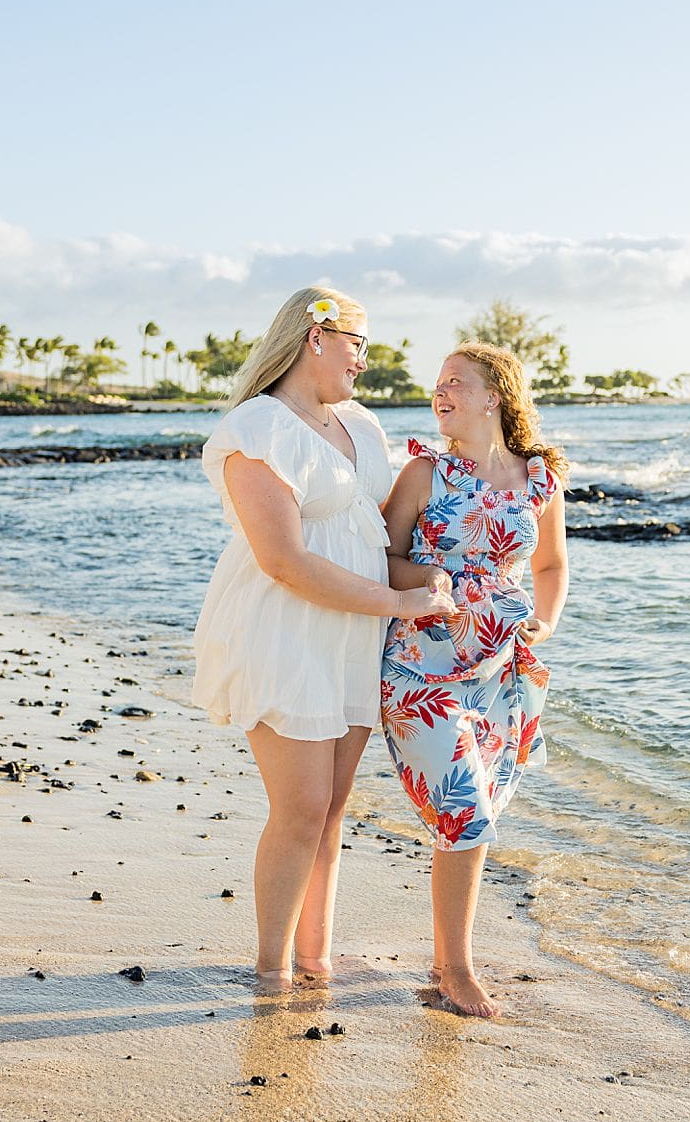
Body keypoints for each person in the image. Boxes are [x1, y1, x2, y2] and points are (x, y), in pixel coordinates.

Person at [193, 286, 452, 988]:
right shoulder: (258, 428)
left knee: (332, 807)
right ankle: (271, 967)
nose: (363, 361)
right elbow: (284, 560)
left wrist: (434, 579)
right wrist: (398, 600)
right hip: (283, 628)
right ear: (316, 337)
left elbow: (369, 535)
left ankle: (316, 958)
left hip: (351, 630)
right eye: (357, 344)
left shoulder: (361, 425)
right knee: (301, 806)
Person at [380, 343, 569, 1018]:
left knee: (475, 814)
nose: (441, 393)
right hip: (421, 669)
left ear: (495, 395)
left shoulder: (540, 479)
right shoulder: (423, 474)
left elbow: (549, 567)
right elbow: (382, 558)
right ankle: (455, 970)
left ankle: (446, 958)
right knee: (466, 809)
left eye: (455, 382)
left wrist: (543, 621)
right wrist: (430, 581)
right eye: (437, 385)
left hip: (500, 673)